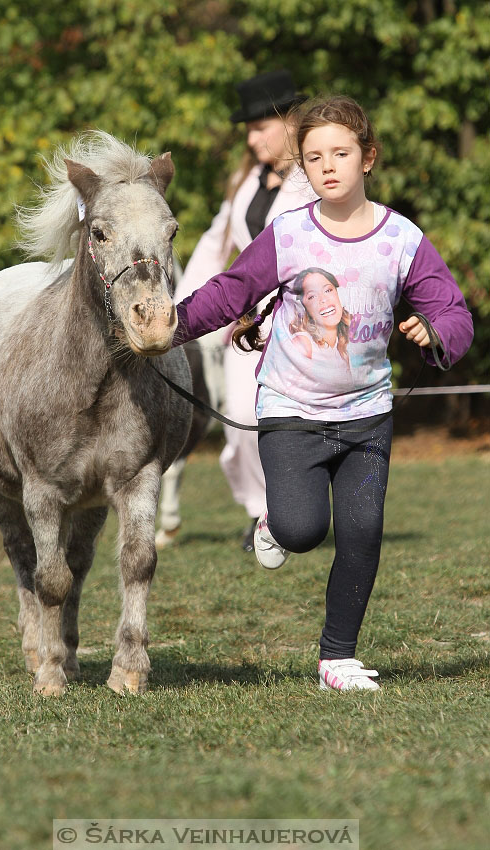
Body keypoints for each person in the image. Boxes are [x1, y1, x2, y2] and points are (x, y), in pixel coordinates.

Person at [172, 95, 473, 691]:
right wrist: (168, 327)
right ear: (303, 169)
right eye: (314, 157)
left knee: (362, 532)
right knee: (303, 529)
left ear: (369, 157)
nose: (329, 165)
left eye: (341, 152)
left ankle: (336, 657)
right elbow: (230, 292)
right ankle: (273, 527)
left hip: (367, 418)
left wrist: (436, 331)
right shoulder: (286, 235)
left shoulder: (403, 240)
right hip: (291, 413)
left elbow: (453, 310)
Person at [171, 69, 317, 551]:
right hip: (247, 322)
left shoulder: (315, 179)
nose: (252, 138)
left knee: (291, 424)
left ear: (290, 122)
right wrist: (179, 316)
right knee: (239, 422)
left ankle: (293, 515)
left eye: (260, 127)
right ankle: (263, 515)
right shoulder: (246, 181)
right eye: (248, 130)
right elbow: (216, 245)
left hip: (299, 321)